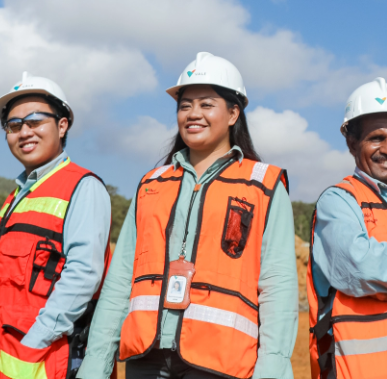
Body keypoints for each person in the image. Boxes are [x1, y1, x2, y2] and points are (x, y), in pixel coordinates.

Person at [78, 52, 298, 379]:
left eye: (206, 104)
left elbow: (278, 287)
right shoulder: (152, 184)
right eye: (185, 106)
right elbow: (121, 280)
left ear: (234, 112)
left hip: (220, 360)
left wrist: (273, 371)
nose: (193, 114)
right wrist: (95, 367)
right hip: (146, 357)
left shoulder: (263, 186)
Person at [0, 72, 112, 379]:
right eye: (13, 125)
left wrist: (34, 342)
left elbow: (83, 276)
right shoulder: (15, 197)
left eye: (35, 121)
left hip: (43, 359)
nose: (24, 132)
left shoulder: (83, 186)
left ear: (62, 126)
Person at [307, 77, 387, 379]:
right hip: (354, 368)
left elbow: (375, 270)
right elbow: (359, 269)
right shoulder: (338, 201)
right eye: (376, 138)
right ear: (352, 143)